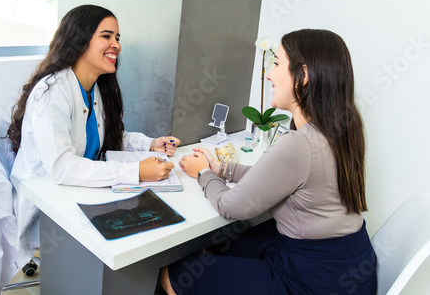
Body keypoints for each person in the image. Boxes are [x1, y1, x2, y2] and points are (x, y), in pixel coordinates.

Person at [160, 29, 377, 294]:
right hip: (350, 269)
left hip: (311, 281)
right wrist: (222, 169)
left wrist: (204, 172)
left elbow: (231, 206)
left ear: (303, 75)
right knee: (230, 244)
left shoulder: (300, 143)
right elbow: (277, 177)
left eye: (276, 63)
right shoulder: (342, 130)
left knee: (177, 273)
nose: (269, 74)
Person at [7, 4, 180, 251]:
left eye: (117, 38)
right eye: (106, 36)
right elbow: (62, 168)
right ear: (80, 40)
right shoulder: (53, 92)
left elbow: (104, 136)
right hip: (49, 201)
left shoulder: (93, 88)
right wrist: (136, 172)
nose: (116, 45)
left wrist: (150, 144)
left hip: (80, 190)